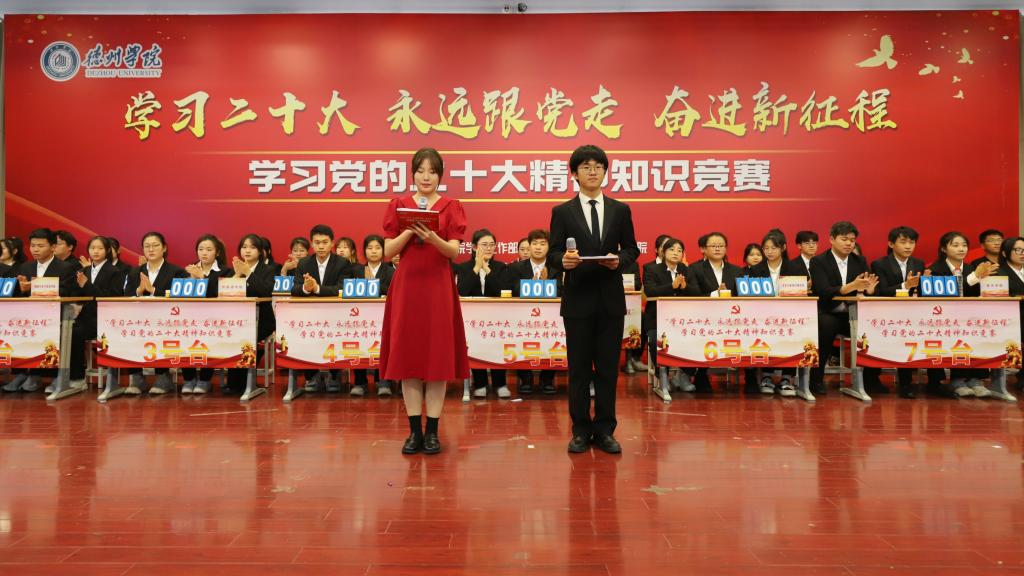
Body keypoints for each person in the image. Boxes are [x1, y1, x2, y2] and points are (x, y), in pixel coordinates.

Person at [550, 144, 639, 455]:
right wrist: (564, 261)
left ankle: (604, 430)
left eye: (598, 166)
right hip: (577, 300)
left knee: (607, 370)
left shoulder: (620, 210)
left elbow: (632, 248)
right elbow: (553, 252)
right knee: (578, 370)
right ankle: (579, 430)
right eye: (585, 167)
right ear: (574, 174)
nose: (592, 171)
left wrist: (619, 260)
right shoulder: (562, 212)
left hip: (610, 300)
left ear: (605, 172)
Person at [381, 147, 469, 455]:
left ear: (440, 175)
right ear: (413, 174)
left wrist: (433, 237)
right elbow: (388, 251)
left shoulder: (452, 206)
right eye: (420, 171)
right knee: (408, 359)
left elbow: (454, 251)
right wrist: (409, 231)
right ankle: (414, 432)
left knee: (436, 360)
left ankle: (432, 431)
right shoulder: (399, 205)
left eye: (432, 171)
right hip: (407, 288)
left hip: (437, 286)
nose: (426, 177)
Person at [3, 229, 78, 393]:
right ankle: (22, 373)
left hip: (55, 316)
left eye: (40, 246)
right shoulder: (25, 267)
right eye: (32, 245)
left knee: (49, 332)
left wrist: (34, 287)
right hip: (28, 315)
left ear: (52, 247)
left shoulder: (66, 267)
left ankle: (46, 376)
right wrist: (20, 288)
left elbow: (66, 291)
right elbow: (17, 293)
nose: (35, 249)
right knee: (13, 327)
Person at [808, 221, 878, 396]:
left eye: (852, 240)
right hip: (827, 311)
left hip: (852, 314)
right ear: (832, 239)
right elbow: (823, 291)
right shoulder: (818, 261)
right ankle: (816, 380)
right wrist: (850, 286)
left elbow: (866, 288)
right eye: (844, 239)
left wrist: (870, 290)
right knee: (827, 326)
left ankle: (870, 381)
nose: (849, 244)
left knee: (873, 327)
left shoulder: (860, 260)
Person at [927, 231, 998, 397]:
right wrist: (974, 277)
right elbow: (949, 293)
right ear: (943, 249)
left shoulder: (972, 268)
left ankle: (976, 380)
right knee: (958, 343)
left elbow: (978, 292)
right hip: (943, 320)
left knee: (979, 338)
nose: (961, 249)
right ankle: (957, 380)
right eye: (955, 245)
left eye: (964, 245)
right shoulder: (935, 269)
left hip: (970, 317)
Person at [291, 224, 359, 392]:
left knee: (336, 338)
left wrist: (317, 289)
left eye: (325, 242)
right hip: (310, 316)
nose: (321, 246)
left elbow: (342, 288)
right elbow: (294, 289)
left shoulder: (342, 263)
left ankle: (334, 376)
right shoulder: (304, 263)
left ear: (331, 243)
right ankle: (311, 376)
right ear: (312, 244)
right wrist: (306, 288)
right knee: (304, 335)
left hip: (336, 315)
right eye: (317, 242)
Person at [123, 232, 189, 395]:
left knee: (161, 332)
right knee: (127, 331)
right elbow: (126, 296)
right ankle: (136, 377)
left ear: (164, 248)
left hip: (168, 320)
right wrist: (139, 291)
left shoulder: (177, 272)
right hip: (139, 320)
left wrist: (153, 290)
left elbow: (180, 297)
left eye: (155, 245)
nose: (151, 249)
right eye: (147, 246)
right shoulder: (134, 272)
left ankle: (163, 377)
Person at [864, 226, 926, 398]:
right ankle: (871, 379)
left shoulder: (919, 263)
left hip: (910, 314)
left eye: (912, 242)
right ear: (891, 244)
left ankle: (906, 383)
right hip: (884, 314)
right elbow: (881, 291)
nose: (908, 246)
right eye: (903, 242)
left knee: (911, 337)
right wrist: (905, 285)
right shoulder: (879, 264)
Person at [684, 231, 743, 393]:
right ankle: (701, 374)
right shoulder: (695, 269)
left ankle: (752, 378)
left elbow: (742, 297)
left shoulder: (736, 271)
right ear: (704, 249)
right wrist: (715, 294)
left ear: (726, 248)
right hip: (703, 318)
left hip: (731, 319)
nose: (717, 249)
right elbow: (692, 295)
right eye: (713, 246)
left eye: (721, 246)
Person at [454, 229, 510, 398]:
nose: (489, 248)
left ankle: (500, 384)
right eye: (484, 245)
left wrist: (486, 268)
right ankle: (480, 384)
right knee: (476, 348)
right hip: (473, 319)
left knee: (497, 347)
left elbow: (502, 291)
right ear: (474, 247)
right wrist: (477, 268)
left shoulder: (501, 267)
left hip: (496, 318)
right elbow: (462, 291)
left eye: (492, 245)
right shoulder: (464, 268)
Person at [504, 228, 561, 394]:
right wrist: (533, 282)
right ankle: (525, 378)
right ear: (529, 246)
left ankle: (547, 379)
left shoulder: (556, 268)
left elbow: (562, 290)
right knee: (520, 342)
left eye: (543, 244)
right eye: (534, 243)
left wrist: (546, 282)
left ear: (549, 247)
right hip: (522, 317)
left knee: (554, 343)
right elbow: (511, 289)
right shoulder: (516, 268)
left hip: (550, 318)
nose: (538, 247)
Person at [747, 229, 801, 396]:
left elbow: (802, 294)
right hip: (763, 315)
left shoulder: (795, 268)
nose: (769, 252)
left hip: (790, 314)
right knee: (764, 333)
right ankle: (767, 376)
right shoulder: (756, 269)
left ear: (783, 248)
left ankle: (787, 378)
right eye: (766, 248)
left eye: (773, 248)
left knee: (795, 331)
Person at [70, 236, 125, 391]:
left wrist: (87, 285)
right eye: (92, 248)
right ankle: (62, 377)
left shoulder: (115, 272)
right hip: (85, 317)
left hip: (105, 319)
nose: (95, 251)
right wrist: (79, 289)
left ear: (107, 251)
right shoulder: (84, 271)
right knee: (65, 331)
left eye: (100, 248)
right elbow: (77, 294)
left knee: (75, 333)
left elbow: (112, 297)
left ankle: (77, 378)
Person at [225, 233, 277, 395]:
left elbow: (266, 291)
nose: (247, 251)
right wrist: (237, 275)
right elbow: (225, 293)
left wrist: (248, 273)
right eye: (244, 247)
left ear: (260, 251)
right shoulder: (234, 269)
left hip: (262, 321)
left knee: (246, 337)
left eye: (252, 247)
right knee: (231, 334)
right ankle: (235, 383)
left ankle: (245, 383)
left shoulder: (268, 270)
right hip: (238, 320)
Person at [181, 234, 230, 394]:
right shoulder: (189, 269)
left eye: (209, 249)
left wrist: (202, 278)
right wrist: (191, 278)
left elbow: (220, 294)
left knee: (210, 340)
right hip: (190, 318)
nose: (204, 253)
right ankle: (188, 379)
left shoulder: (225, 271)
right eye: (201, 249)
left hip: (215, 319)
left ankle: (204, 379)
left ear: (217, 252)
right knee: (182, 336)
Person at [643, 238, 691, 392]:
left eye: (679, 250)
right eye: (672, 250)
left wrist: (685, 287)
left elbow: (695, 291)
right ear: (663, 252)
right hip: (657, 319)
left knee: (694, 337)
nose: (676, 253)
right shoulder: (652, 269)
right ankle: (662, 376)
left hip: (682, 319)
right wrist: (672, 286)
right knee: (656, 340)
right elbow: (650, 291)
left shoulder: (685, 269)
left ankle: (684, 375)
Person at [351, 234, 396, 397]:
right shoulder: (356, 270)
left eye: (377, 248)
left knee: (382, 346)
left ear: (383, 250)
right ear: (364, 251)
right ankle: (360, 382)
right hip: (360, 318)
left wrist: (372, 285)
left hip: (383, 317)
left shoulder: (390, 271)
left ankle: (383, 381)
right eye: (370, 248)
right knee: (360, 347)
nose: (374, 251)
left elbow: (392, 290)